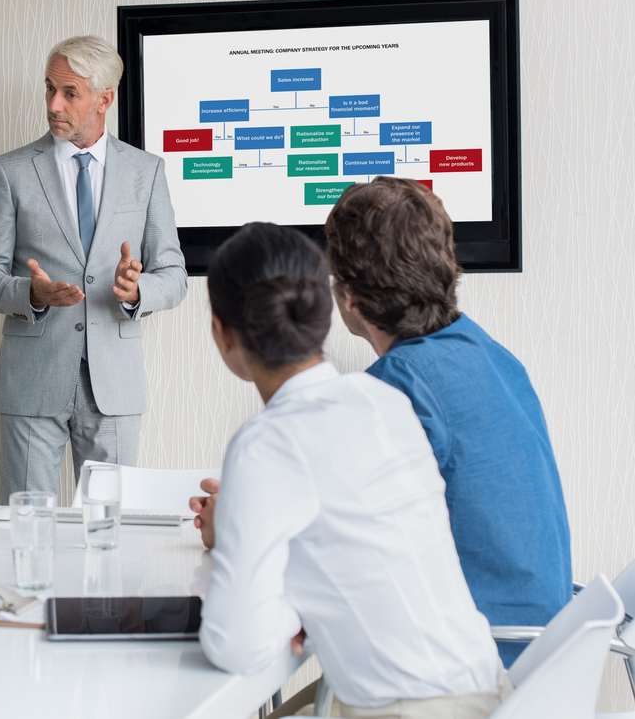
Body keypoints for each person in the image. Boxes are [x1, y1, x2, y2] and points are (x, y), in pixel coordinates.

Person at [194, 222, 508, 718]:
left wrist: (284, 607)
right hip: (491, 692)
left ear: (221, 333)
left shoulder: (267, 442)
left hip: (407, 709)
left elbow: (235, 645)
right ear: (327, 314)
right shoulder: (383, 401)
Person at [324, 177, 571, 668]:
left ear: (348, 297)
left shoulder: (395, 390)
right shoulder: (490, 355)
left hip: (473, 669)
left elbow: (334, 551)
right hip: (546, 660)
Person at [0, 35, 187, 501]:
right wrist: (31, 293)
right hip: (32, 383)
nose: (53, 104)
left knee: (109, 534)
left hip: (114, 386)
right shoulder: (11, 171)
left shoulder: (145, 172)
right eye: (49, 88)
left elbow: (174, 275)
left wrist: (136, 291)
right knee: (27, 530)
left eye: (69, 93)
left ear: (105, 98)